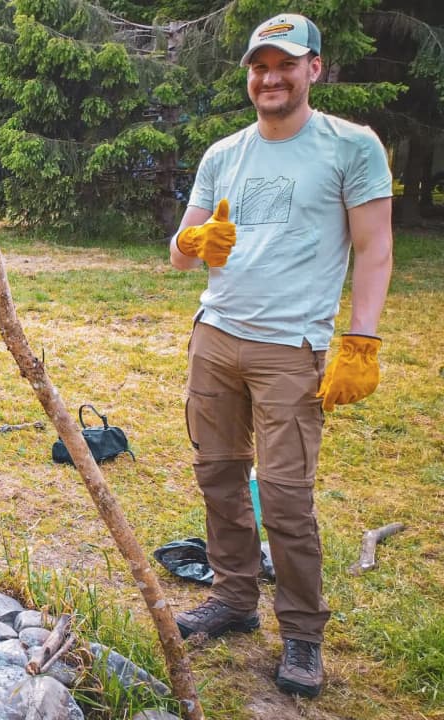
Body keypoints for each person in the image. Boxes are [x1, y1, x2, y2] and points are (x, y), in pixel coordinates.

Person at [168, 13, 393, 699]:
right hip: (215, 335)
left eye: (286, 64)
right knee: (217, 475)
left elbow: (374, 247)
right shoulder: (223, 153)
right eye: (260, 66)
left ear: (313, 70)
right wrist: (195, 241)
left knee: (288, 499)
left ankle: (302, 633)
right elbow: (177, 255)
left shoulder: (350, 147)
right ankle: (235, 598)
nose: (270, 77)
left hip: (292, 348)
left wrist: (361, 337)